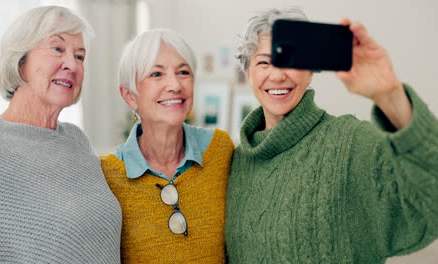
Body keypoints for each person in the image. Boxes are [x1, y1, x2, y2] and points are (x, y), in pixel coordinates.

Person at [225, 7, 438, 264]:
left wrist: (389, 94)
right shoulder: (235, 162)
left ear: (311, 71)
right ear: (248, 73)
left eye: (290, 59)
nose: (278, 74)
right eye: (263, 62)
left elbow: (430, 197)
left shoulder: (350, 144)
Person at [0, 6, 122, 263]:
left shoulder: (77, 142)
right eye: (57, 49)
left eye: (80, 56)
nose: (72, 65)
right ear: (21, 61)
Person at [100, 28, 234, 263]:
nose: (174, 85)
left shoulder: (220, 149)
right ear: (130, 95)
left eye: (183, 72)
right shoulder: (107, 175)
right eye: (156, 74)